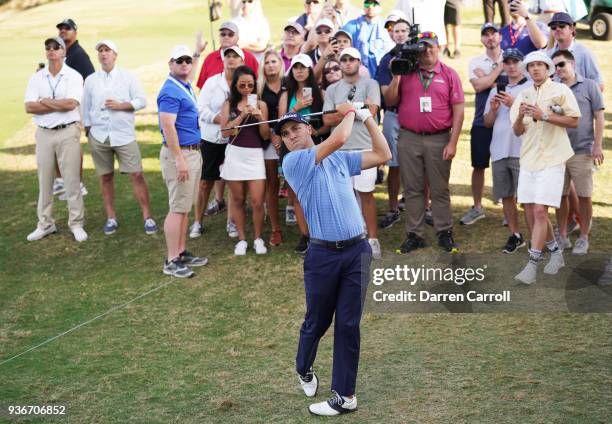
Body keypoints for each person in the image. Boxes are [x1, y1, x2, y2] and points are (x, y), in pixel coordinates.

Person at [276, 103, 391, 416]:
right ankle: (303, 367)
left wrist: (367, 118)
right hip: (323, 255)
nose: (292, 137)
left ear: (310, 129)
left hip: (357, 251)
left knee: (348, 324)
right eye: (285, 134)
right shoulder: (293, 162)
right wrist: (350, 111)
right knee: (318, 320)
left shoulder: (339, 159)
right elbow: (339, 137)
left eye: (296, 129)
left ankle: (345, 396)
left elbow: (383, 154)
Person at [384, 32, 465, 254]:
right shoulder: (408, 72)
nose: (427, 51)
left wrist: (453, 142)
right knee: (412, 189)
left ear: (438, 48)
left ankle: (444, 231)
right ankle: (414, 233)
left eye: (431, 46)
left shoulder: (449, 74)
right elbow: (390, 100)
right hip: (409, 137)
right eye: (423, 47)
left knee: (439, 189)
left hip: (439, 138)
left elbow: (458, 110)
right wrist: (398, 75)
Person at [510, 50, 581, 284]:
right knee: (531, 211)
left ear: (547, 68)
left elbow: (574, 120)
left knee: (541, 211)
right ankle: (557, 254)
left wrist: (545, 115)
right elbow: (517, 131)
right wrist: (520, 117)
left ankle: (532, 264)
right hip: (529, 159)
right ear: (527, 70)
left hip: (553, 159)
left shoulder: (561, 91)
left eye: (540, 65)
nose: (536, 69)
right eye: (531, 66)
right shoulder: (523, 95)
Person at [82, 40, 157, 236]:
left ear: (115, 55)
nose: (103, 54)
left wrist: (122, 105)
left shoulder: (128, 77)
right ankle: (111, 218)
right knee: (105, 177)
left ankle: (148, 217)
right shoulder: (91, 80)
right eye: (100, 51)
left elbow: (141, 100)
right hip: (99, 135)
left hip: (124, 135)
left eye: (107, 51)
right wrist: (89, 131)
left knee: (137, 175)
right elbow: (85, 108)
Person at [25, 36, 87, 243]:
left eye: (56, 47)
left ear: (63, 52)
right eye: (48, 48)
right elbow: (29, 107)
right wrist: (54, 104)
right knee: (45, 181)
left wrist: (44, 101)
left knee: (71, 180)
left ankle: (76, 223)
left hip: (67, 131)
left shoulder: (73, 76)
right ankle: (45, 224)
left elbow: (71, 104)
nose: (51, 51)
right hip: (43, 133)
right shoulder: (37, 77)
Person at [323, 47, 383, 259]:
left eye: (352, 59)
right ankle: (352, 237)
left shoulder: (370, 84)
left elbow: (372, 111)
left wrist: (344, 109)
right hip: (340, 149)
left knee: (366, 194)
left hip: (365, 147)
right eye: (344, 59)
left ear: (359, 62)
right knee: (344, 196)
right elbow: (327, 120)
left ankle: (372, 239)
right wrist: (357, 109)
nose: (348, 63)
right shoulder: (332, 89)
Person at [157, 43, 209, 278]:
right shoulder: (170, 90)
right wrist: (179, 159)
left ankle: (180, 251)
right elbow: (168, 126)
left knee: (184, 206)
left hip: (191, 152)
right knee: (177, 208)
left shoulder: (184, 84)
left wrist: (196, 53)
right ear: (170, 64)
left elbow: (191, 70)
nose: (185, 64)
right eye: (180, 61)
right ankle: (171, 260)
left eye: (188, 61)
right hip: (180, 153)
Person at [552, 49, 604, 255]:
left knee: (584, 195)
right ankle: (563, 237)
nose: (558, 69)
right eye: (555, 66)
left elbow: (599, 117)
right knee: (560, 196)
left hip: (582, 150)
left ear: (573, 64)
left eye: (561, 64)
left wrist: (597, 145)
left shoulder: (589, 85)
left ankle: (583, 237)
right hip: (557, 152)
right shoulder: (553, 89)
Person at [190, 46, 244, 239]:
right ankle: (197, 222)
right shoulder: (212, 82)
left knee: (232, 181)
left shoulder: (244, 83)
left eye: (235, 56)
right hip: (212, 138)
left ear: (241, 61)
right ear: (223, 60)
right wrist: (219, 119)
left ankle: (231, 222)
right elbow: (200, 108)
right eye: (228, 56)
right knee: (206, 181)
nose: (231, 59)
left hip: (235, 139)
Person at [280, 54, 330, 254]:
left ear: (311, 70)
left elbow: (327, 122)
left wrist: (316, 132)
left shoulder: (321, 93)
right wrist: (297, 107)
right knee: (297, 194)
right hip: (291, 146)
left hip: (314, 144)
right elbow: (280, 122)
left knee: (320, 189)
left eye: (304, 67)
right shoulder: (287, 94)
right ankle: (305, 234)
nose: (299, 70)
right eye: (296, 67)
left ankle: (321, 232)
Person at [483, 48, 531, 253]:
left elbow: (534, 118)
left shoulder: (530, 87)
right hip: (499, 149)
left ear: (521, 64)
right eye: (508, 62)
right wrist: (493, 110)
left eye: (515, 62)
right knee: (506, 196)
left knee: (528, 197)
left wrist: (514, 104)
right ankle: (515, 235)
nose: (511, 66)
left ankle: (536, 238)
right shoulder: (497, 88)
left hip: (522, 150)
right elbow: (486, 122)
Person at [219, 66, 270, 255]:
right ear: (235, 85)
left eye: (250, 84)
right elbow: (224, 132)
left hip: (254, 155)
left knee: (257, 201)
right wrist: (242, 115)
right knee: (238, 199)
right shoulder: (229, 104)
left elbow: (265, 135)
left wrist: (259, 117)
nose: (247, 88)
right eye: (242, 85)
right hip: (235, 154)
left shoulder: (261, 104)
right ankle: (241, 239)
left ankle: (257, 238)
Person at [461, 23, 504, 226]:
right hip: (481, 120)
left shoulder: (511, 58)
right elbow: (478, 85)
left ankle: (508, 206)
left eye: (493, 34)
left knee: (506, 164)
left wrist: (487, 77)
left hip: (505, 120)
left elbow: (514, 83)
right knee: (478, 165)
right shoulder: (475, 61)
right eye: (485, 35)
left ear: (500, 37)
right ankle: (478, 206)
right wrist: (498, 74)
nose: (490, 38)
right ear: (481, 39)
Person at [53, 18, 93, 201]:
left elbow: (90, 80)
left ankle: (77, 184)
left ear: (75, 32)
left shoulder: (78, 54)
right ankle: (61, 181)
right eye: (60, 29)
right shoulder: (63, 53)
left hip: (75, 109)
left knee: (72, 147)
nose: (63, 31)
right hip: (60, 109)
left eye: (66, 28)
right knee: (57, 146)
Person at [376, 17, 410, 230]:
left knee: (420, 164)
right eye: (396, 31)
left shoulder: (419, 56)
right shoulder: (385, 60)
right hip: (394, 114)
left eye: (404, 30)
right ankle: (392, 207)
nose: (400, 34)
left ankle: (423, 206)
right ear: (391, 34)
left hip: (415, 115)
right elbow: (387, 96)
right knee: (394, 164)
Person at [258, 49, 286, 246]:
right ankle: (275, 228)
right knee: (272, 183)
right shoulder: (259, 90)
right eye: (267, 62)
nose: (270, 65)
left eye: (274, 61)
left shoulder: (288, 85)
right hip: (267, 141)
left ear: (280, 64)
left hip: (289, 138)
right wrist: (274, 137)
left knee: (294, 182)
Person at [546, 12, 604, 91]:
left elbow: (599, 85)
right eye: (553, 27)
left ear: (572, 29)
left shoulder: (584, 53)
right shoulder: (548, 55)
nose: (557, 29)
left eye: (562, 26)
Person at [195, 21, 259, 90]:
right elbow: (202, 88)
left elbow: (259, 83)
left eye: (230, 35)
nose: (226, 37)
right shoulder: (210, 58)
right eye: (223, 34)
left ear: (237, 38)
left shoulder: (249, 57)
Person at [341, 0, 394, 79]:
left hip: (382, 75)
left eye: (374, 4)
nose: (370, 6)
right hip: (358, 75)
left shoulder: (387, 25)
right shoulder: (352, 25)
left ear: (380, 7)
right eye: (367, 3)